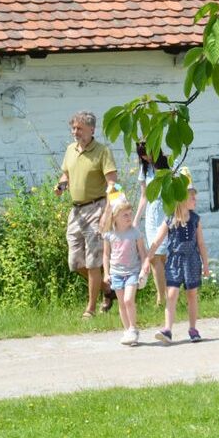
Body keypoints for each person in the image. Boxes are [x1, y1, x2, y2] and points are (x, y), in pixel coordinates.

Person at [55, 110, 118, 318]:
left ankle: (90, 309)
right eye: (73, 128)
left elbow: (112, 184)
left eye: (79, 128)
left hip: (96, 207)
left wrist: (108, 212)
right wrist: (61, 185)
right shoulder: (70, 150)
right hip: (76, 211)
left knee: (92, 262)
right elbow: (67, 174)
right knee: (75, 263)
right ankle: (107, 290)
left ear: (92, 129)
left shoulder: (102, 151)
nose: (75, 132)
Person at [144, 172, 210, 344]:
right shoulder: (169, 220)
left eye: (195, 196)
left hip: (192, 261)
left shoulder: (196, 220)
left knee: (191, 294)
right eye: (191, 197)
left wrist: (206, 264)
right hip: (174, 261)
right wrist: (147, 259)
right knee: (171, 294)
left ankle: (193, 328)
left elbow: (201, 244)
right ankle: (168, 330)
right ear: (181, 198)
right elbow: (157, 241)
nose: (195, 200)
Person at [101, 201, 148, 345]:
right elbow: (106, 255)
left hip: (132, 272)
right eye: (125, 215)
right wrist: (106, 273)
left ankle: (133, 328)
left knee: (128, 300)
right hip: (116, 273)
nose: (129, 217)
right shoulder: (109, 234)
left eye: (130, 214)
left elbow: (143, 253)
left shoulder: (135, 233)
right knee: (121, 303)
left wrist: (143, 270)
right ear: (115, 217)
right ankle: (128, 332)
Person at [134, 141, 170, 305]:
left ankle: (172, 295)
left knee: (167, 255)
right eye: (142, 154)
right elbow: (144, 196)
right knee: (154, 257)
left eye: (146, 152)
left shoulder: (168, 163)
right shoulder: (145, 169)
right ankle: (160, 297)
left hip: (167, 212)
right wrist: (136, 219)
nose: (145, 157)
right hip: (152, 215)